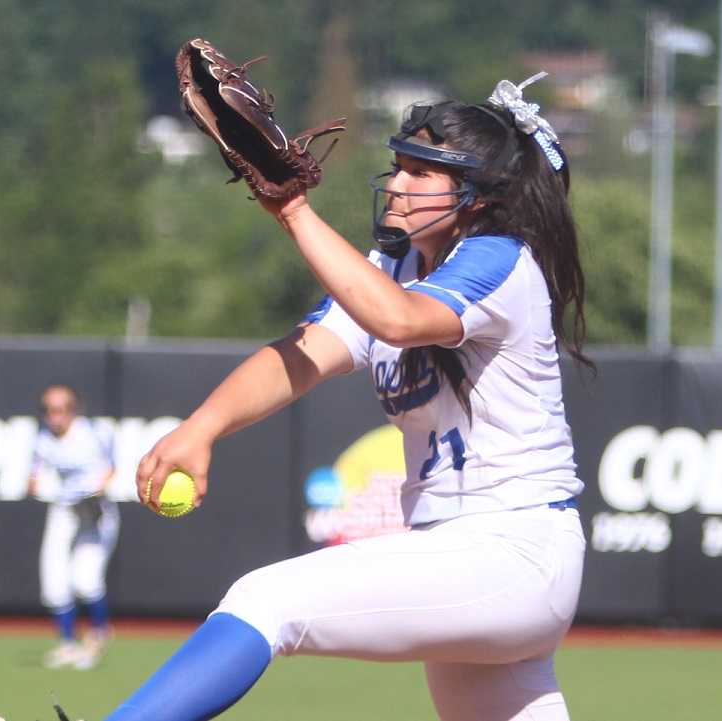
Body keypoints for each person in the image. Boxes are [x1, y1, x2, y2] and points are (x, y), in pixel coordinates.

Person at [112, 72, 590, 721]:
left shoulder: (497, 258)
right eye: (397, 166)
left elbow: (395, 320)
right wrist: (202, 426)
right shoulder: (390, 266)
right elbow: (304, 354)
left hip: (511, 546)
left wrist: (292, 211)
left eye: (421, 173)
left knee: (265, 599)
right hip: (468, 558)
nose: (396, 184)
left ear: (475, 196)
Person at [29, 383, 120, 671]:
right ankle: (67, 643)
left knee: (85, 578)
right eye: (47, 409)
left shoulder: (92, 432)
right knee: (53, 579)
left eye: (60, 409)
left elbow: (111, 470)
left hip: (94, 510)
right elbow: (33, 478)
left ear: (73, 410)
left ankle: (99, 633)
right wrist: (40, 485)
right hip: (64, 508)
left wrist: (93, 492)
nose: (53, 415)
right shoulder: (43, 438)